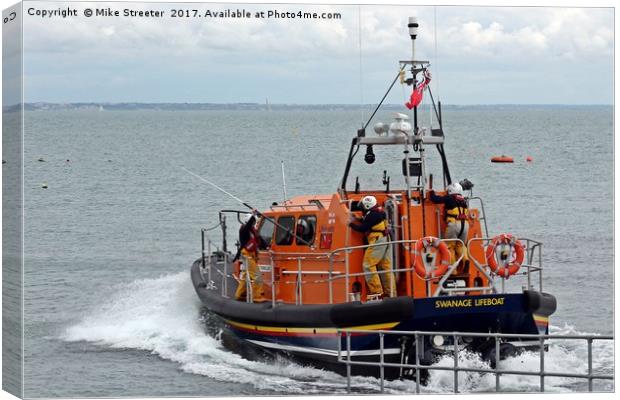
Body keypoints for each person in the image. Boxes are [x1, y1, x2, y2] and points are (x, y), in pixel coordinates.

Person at [349, 195, 396, 298]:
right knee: (385, 268)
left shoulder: (371, 215)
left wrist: (351, 224)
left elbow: (363, 228)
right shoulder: (378, 213)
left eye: (362, 207)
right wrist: (359, 218)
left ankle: (376, 292)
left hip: (378, 241)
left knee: (368, 265)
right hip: (385, 240)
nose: (361, 209)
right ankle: (391, 293)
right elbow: (369, 222)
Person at [429, 182, 469, 268]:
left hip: (454, 225)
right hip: (465, 225)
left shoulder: (449, 198)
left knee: (449, 246)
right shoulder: (464, 201)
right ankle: (466, 260)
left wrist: (431, 192)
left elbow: (435, 199)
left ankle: (452, 269)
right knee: (460, 245)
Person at [233, 213, 266, 302]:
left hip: (252, 255)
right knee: (257, 276)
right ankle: (256, 296)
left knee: (244, 276)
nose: (254, 223)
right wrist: (253, 213)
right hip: (247, 255)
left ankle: (239, 294)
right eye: (253, 221)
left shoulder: (252, 231)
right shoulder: (244, 230)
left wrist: (266, 246)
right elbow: (248, 226)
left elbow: (259, 239)